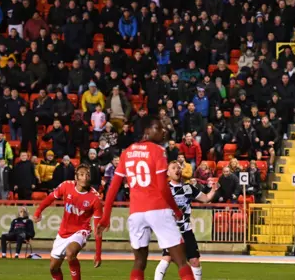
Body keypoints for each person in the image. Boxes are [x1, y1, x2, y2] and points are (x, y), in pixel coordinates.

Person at [98, 116, 195, 280]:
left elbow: (113, 187)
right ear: (147, 131)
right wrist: (176, 210)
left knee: (139, 262)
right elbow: (163, 187)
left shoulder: (127, 152)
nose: (163, 131)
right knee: (181, 262)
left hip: (136, 213)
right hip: (158, 209)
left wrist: (106, 216)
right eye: (158, 127)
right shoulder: (158, 151)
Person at [33, 165, 103, 279]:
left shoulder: (95, 198)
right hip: (63, 232)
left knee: (70, 253)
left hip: (81, 230)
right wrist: (38, 212)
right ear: (76, 177)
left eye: (87, 175)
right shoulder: (66, 186)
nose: (85, 177)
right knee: (53, 268)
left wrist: (98, 254)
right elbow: (50, 198)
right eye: (81, 174)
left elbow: (98, 229)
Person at [154, 161, 218, 280]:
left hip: (186, 229)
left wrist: (213, 189)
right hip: (171, 230)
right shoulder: (164, 188)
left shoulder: (188, 187)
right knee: (167, 258)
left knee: (194, 261)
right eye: (173, 168)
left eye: (178, 168)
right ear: (168, 172)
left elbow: (206, 199)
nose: (177, 170)